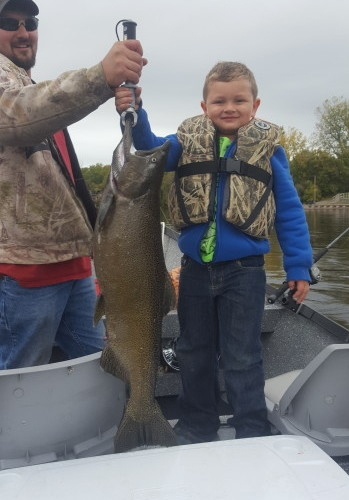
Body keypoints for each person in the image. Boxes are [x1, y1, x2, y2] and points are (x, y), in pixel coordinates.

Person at [115, 61, 312, 443]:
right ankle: (197, 426)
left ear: (255, 105)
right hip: (194, 271)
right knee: (193, 351)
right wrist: (136, 113)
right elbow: (147, 146)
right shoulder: (183, 142)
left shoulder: (270, 153)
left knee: (242, 357)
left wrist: (298, 266)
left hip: (246, 272)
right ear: (204, 107)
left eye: (239, 100)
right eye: (219, 100)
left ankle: (251, 428)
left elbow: (289, 212)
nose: (229, 107)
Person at [0, 0, 146, 369]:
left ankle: (116, 425)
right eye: (9, 22)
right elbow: (19, 115)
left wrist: (117, 99)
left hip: (74, 265)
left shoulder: (26, 83)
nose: (23, 31)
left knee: (96, 368)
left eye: (30, 21)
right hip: (25, 272)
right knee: (20, 382)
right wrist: (101, 77)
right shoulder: (13, 91)